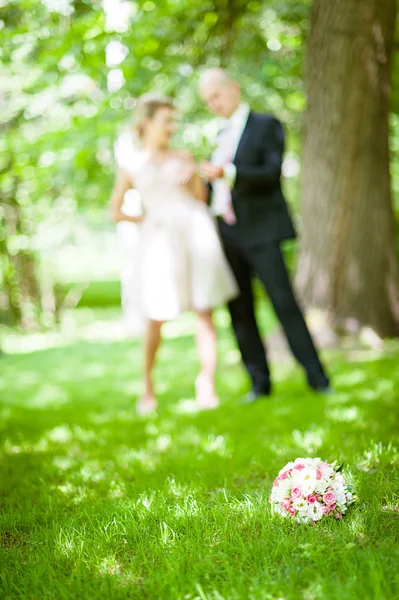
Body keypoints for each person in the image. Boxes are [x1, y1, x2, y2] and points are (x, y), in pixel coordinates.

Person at [199, 69, 331, 401]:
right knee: (239, 310)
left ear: (234, 88)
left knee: (283, 303)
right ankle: (259, 383)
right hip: (226, 234)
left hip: (262, 231)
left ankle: (317, 378)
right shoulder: (217, 135)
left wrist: (227, 172)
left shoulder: (265, 125)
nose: (213, 104)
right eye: (207, 101)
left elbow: (271, 174)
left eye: (216, 96)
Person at [109, 93, 238, 414]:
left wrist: (192, 174)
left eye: (173, 121)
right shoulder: (132, 165)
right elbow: (115, 211)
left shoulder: (184, 156)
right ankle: (147, 387)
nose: (171, 127)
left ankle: (206, 384)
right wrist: (146, 220)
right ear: (146, 124)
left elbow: (200, 197)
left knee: (204, 310)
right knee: (156, 316)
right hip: (158, 244)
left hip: (195, 235)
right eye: (166, 120)